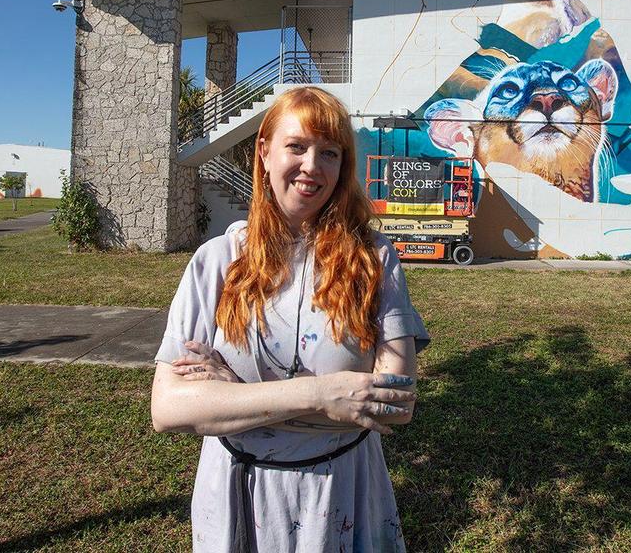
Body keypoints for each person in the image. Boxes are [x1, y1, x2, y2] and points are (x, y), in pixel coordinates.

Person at [151, 86, 429, 552]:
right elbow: (170, 409)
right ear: (264, 152)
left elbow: (395, 406)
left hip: (341, 490)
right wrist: (325, 395)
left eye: (330, 153)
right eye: (296, 146)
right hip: (240, 493)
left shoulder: (375, 260)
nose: (312, 166)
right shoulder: (214, 262)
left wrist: (233, 399)